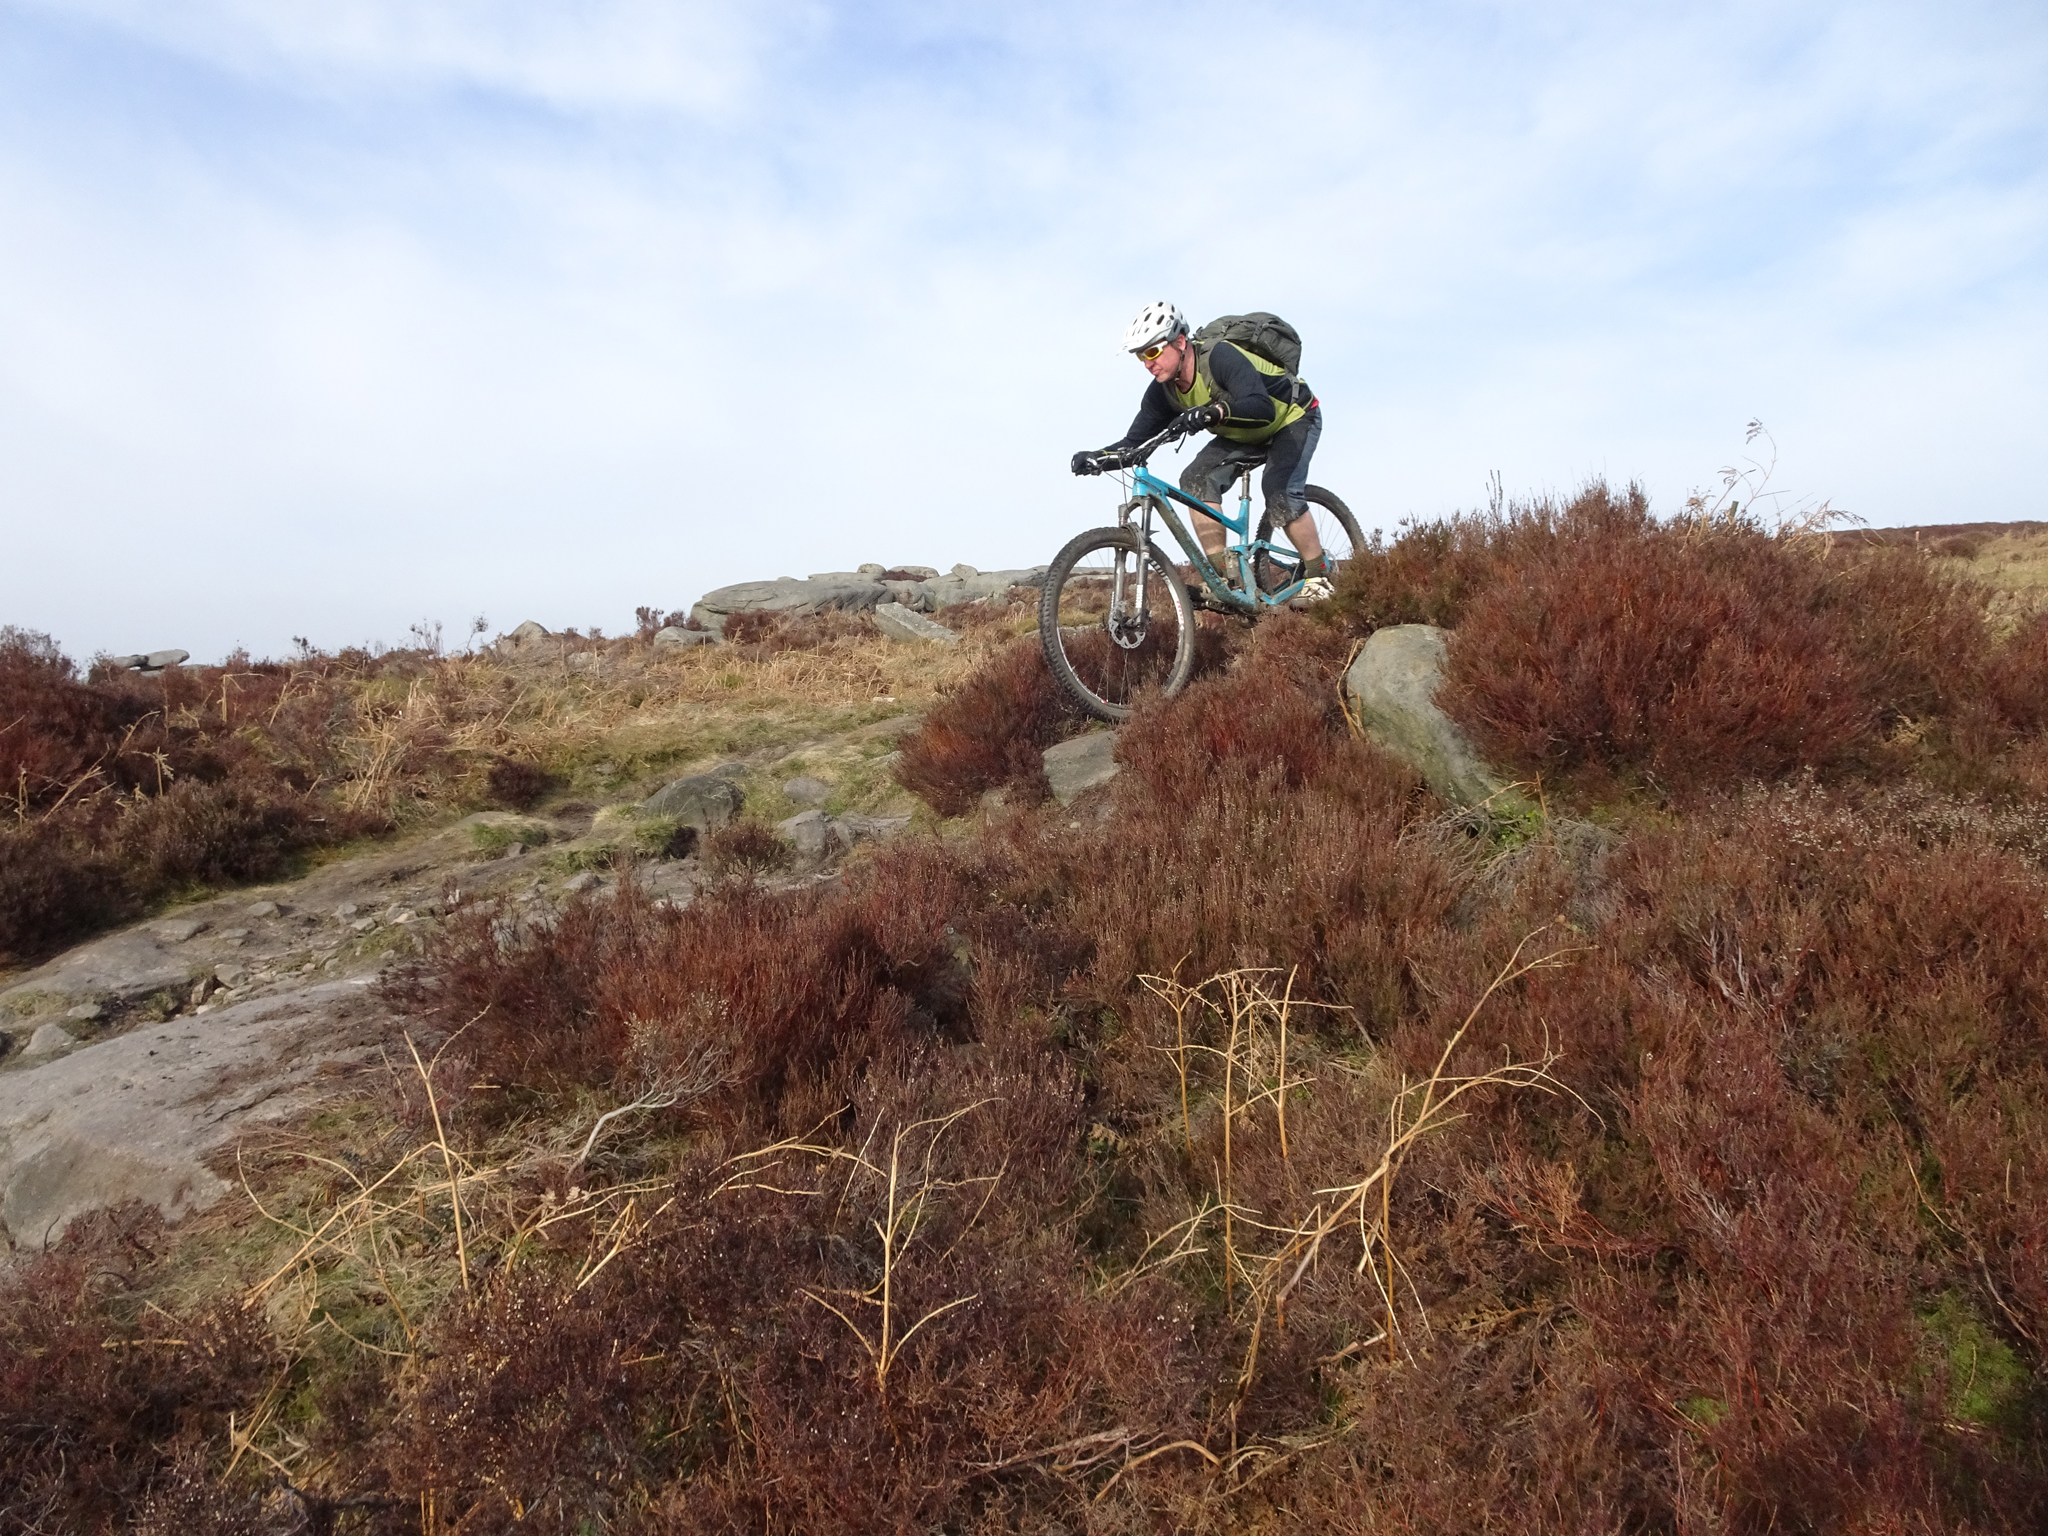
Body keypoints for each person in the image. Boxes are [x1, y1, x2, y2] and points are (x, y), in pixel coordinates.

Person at [1070, 300, 1332, 600]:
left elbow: (1262, 408)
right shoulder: (1162, 392)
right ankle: (1227, 581)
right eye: (1141, 356)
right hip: (1243, 433)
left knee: (1279, 490)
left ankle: (1319, 574)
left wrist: (1214, 412)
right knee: (1195, 479)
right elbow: (1134, 444)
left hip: (1292, 417)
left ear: (1180, 342)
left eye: (1153, 352)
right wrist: (1099, 458)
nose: (1147, 363)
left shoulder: (1220, 357)